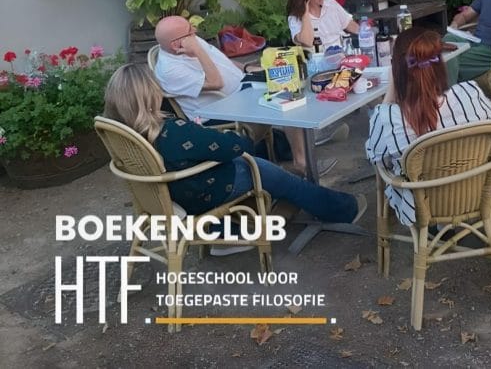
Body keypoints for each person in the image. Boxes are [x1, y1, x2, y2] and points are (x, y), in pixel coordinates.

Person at [103, 64, 367, 254]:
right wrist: (239, 136)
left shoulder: (122, 134)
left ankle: (231, 231)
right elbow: (233, 148)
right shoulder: (173, 132)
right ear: (150, 95)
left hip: (168, 195)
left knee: (268, 170)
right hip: (203, 190)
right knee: (267, 170)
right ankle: (344, 209)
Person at [152, 15, 337, 177]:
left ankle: (305, 140)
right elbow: (216, 82)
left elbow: (222, 62)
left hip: (242, 86)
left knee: (289, 77)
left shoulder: (188, 41)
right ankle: (303, 161)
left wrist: (249, 68)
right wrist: (199, 52)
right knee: (286, 95)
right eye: (189, 30)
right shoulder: (170, 70)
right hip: (221, 110)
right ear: (176, 44)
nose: (195, 30)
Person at [365, 27, 491, 226]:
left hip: (423, 208)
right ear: (441, 64)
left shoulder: (389, 118)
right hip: (480, 192)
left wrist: (390, 94)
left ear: (397, 71)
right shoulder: (470, 92)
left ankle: (435, 227)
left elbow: (376, 157)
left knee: (391, 171)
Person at [287, 0, 359, 49]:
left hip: (341, 51)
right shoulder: (295, 18)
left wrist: (364, 33)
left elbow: (349, 24)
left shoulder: (329, 2)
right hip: (318, 55)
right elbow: (307, 42)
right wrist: (305, 14)